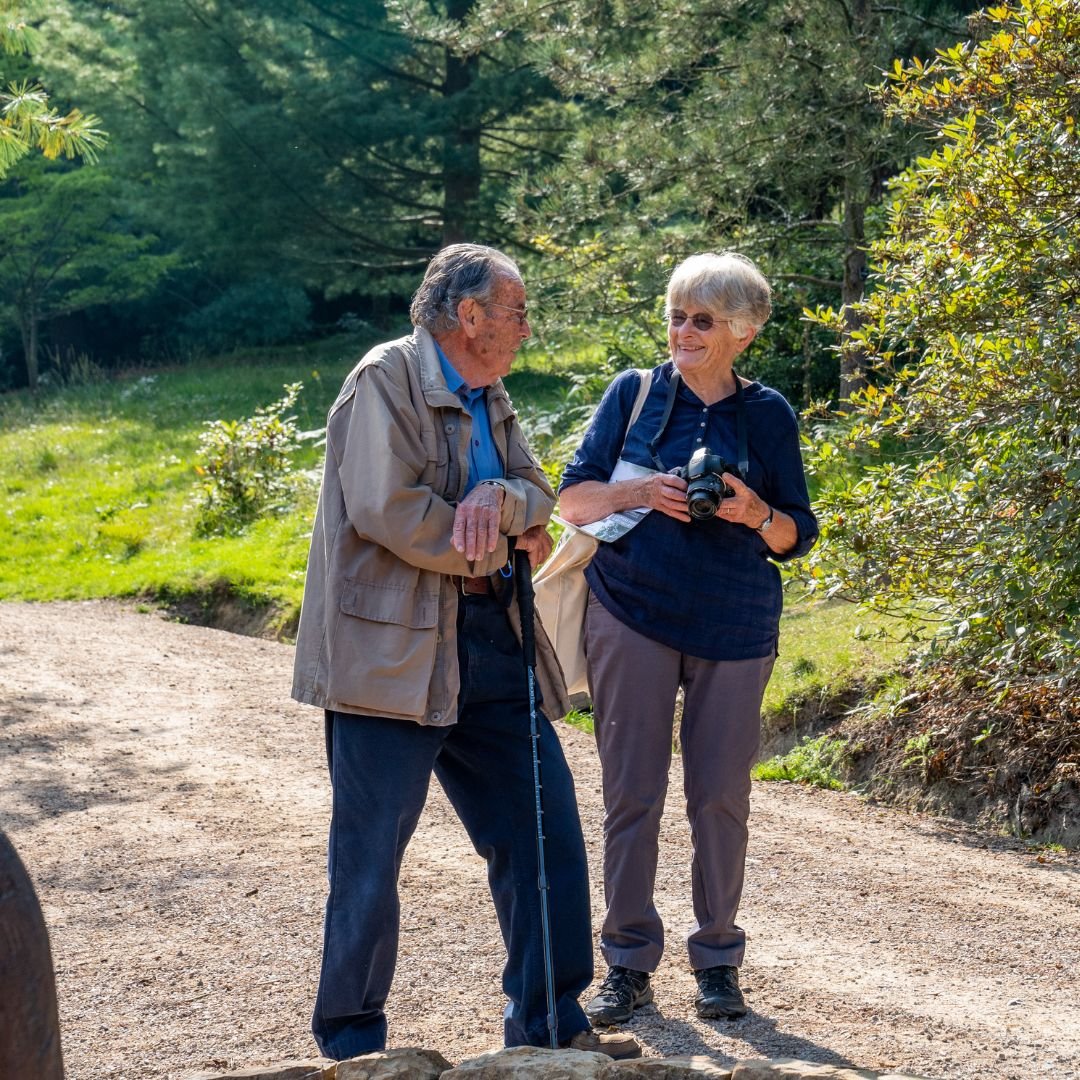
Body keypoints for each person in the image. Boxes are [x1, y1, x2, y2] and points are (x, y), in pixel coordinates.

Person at [291, 243, 639, 1061]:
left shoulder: (491, 390)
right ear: (470, 315)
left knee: (545, 834)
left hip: (493, 640)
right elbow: (389, 509)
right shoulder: (384, 379)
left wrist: (504, 498)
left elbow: (538, 491)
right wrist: (497, 538)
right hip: (391, 657)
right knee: (370, 862)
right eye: (517, 310)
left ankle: (551, 1027)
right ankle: (355, 1047)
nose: (526, 325)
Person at [558, 251, 819, 1025]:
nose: (683, 331)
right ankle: (627, 965)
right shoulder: (635, 394)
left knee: (720, 799)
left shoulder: (767, 414)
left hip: (736, 626)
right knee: (630, 794)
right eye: (676, 315)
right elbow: (572, 500)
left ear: (742, 332)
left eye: (702, 320)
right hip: (630, 612)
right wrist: (643, 491)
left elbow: (798, 534)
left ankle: (717, 963)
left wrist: (753, 514)